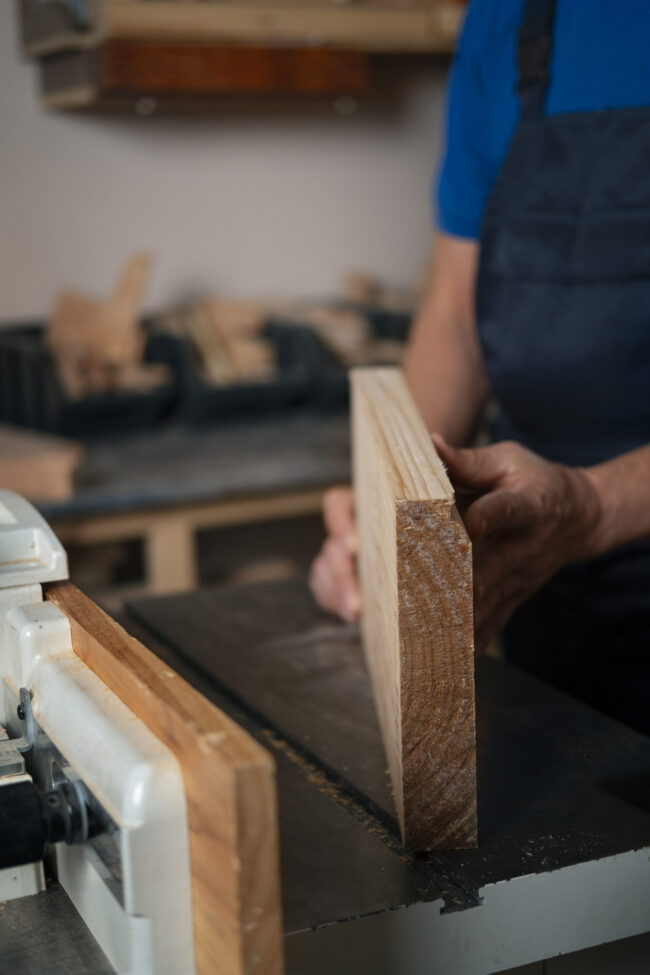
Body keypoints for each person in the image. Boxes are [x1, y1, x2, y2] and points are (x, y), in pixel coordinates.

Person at [310, 0, 650, 736]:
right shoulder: (507, 16)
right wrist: (388, 508)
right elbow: (456, 315)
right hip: (538, 567)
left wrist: (593, 505)